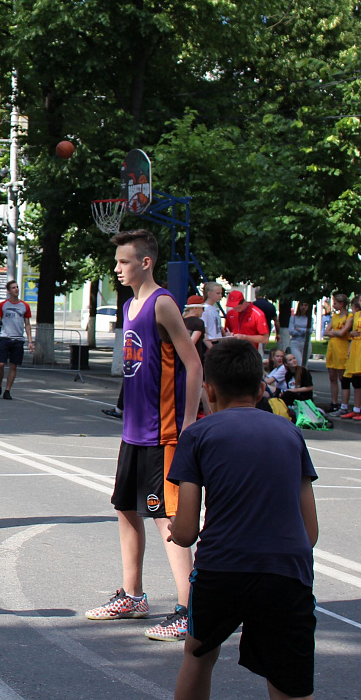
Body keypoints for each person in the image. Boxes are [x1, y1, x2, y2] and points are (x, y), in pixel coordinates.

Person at [166, 338, 319, 700]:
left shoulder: (198, 435)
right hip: (286, 571)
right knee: (288, 677)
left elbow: (186, 532)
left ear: (209, 390)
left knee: (199, 653)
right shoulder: (291, 434)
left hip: (223, 568)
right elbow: (309, 532)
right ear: (261, 388)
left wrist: (175, 528)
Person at [85, 229, 202, 643]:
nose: (117, 268)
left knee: (168, 522)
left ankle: (191, 611)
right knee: (125, 509)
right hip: (133, 431)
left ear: (146, 262)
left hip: (162, 432)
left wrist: (188, 423)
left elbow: (193, 363)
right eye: (117, 262)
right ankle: (133, 596)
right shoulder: (130, 304)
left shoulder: (162, 303)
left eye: (124, 262)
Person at [0, 280, 33, 400]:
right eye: (13, 288)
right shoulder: (3, 305)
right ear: (8, 291)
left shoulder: (24, 306)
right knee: (1, 364)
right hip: (5, 337)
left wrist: (30, 341)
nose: (16, 289)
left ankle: (7, 390)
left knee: (14, 366)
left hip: (18, 339)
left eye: (17, 287)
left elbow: (27, 324)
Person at [323, 293, 351, 415]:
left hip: (342, 348)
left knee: (342, 377)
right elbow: (326, 332)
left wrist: (334, 332)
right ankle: (334, 402)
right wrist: (336, 332)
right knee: (332, 376)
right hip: (332, 348)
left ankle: (344, 403)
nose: (333, 305)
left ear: (342, 304)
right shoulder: (335, 316)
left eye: (335, 303)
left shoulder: (349, 317)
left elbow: (342, 333)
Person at [340, 296, 361, 420]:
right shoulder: (356, 315)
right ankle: (356, 409)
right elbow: (352, 332)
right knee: (356, 378)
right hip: (356, 346)